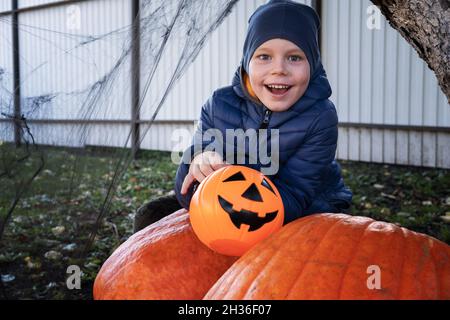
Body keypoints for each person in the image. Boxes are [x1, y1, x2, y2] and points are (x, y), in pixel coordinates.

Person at [134, 0, 352, 233]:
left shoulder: (320, 117)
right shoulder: (218, 105)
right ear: (247, 62)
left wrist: (234, 211)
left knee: (298, 252)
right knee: (150, 216)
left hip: (303, 210)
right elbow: (187, 188)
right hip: (229, 201)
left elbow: (294, 195)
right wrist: (198, 162)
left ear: (313, 63)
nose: (279, 69)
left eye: (294, 58)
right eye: (264, 56)